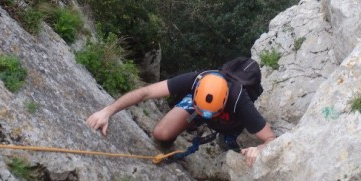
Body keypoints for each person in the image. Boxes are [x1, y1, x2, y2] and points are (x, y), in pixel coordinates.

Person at [85, 69, 276, 166]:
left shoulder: (240, 102)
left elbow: (271, 139)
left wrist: (259, 148)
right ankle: (198, 115)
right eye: (201, 111)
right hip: (197, 104)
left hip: (230, 119)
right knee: (161, 133)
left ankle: (227, 134)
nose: (204, 115)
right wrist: (107, 111)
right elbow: (146, 92)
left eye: (209, 113)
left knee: (227, 140)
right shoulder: (196, 80)